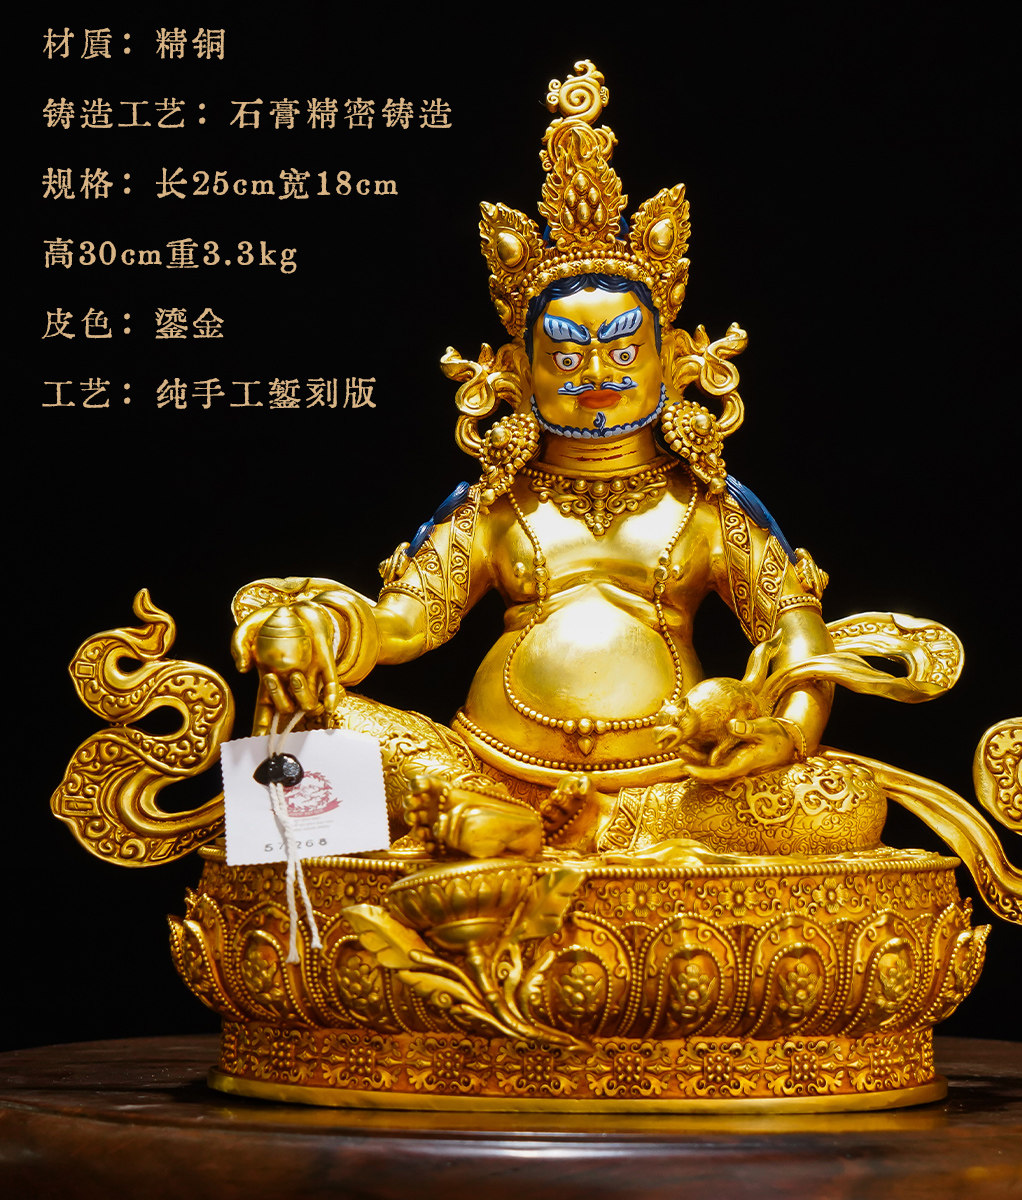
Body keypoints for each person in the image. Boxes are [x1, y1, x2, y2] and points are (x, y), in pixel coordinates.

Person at [231, 62, 888, 863]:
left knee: (844, 799)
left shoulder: (709, 507)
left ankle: (592, 831)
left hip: (665, 784)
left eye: (624, 351)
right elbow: (404, 624)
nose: (598, 375)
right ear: (517, 371)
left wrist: (785, 735)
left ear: (674, 361)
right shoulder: (493, 507)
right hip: (483, 767)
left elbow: (797, 637)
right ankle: (480, 811)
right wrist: (320, 627)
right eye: (568, 357)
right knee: (315, 718)